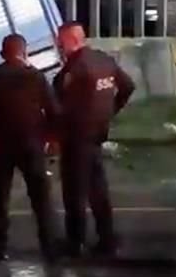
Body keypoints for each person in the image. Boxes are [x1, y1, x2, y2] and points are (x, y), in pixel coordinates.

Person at [0, 33, 59, 261]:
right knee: (40, 196)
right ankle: (49, 245)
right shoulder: (36, 77)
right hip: (31, 143)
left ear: (2, 54)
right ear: (25, 52)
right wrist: (50, 138)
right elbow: (53, 110)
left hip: (0, 144)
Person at [53, 22, 135, 258]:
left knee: (75, 192)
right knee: (98, 190)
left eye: (60, 41)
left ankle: (75, 242)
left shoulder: (73, 68)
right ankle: (107, 238)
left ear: (70, 40)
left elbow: (57, 104)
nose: (58, 45)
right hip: (97, 134)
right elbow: (128, 86)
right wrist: (110, 111)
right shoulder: (104, 60)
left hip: (76, 138)